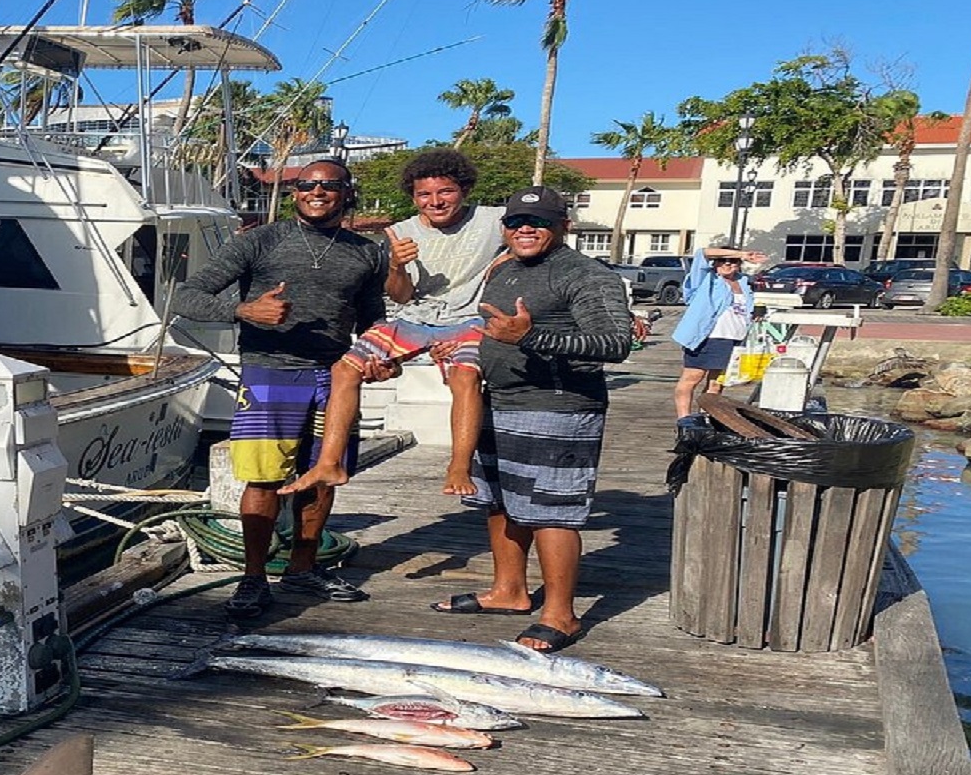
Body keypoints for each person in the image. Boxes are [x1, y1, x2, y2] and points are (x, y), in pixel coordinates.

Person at [168, 160, 393, 619]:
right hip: (270, 372)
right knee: (265, 476)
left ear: (346, 192)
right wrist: (245, 311)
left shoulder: (367, 253)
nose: (317, 192)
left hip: (336, 375)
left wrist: (381, 354)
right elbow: (186, 296)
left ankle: (303, 567)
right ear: (294, 193)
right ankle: (253, 579)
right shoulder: (259, 240)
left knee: (324, 474)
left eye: (329, 185)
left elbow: (373, 318)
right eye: (306, 184)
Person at [432, 185, 632, 652]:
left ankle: (561, 614)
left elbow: (614, 343)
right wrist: (464, 343)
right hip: (497, 400)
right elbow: (494, 328)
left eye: (539, 221)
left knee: (552, 511)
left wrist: (534, 336)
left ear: (564, 225)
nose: (526, 229)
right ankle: (509, 591)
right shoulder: (504, 267)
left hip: (558, 408)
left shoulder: (587, 274)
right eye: (517, 221)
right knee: (499, 502)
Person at [283, 148, 508, 498]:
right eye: (424, 195)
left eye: (445, 191)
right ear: (414, 197)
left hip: (467, 320)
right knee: (345, 369)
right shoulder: (400, 231)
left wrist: (503, 267)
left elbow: (531, 243)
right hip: (414, 318)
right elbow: (401, 297)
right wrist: (396, 266)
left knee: (465, 376)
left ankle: (459, 465)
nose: (435, 201)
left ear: (464, 189)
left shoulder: (495, 220)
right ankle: (329, 462)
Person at [671, 245, 769, 420]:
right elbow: (703, 252)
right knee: (692, 378)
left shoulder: (743, 282)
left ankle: (707, 419)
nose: (727, 264)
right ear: (715, 263)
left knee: (717, 383)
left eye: (732, 261)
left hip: (733, 338)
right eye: (722, 260)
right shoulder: (706, 278)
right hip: (708, 337)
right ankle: (684, 420)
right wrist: (742, 254)